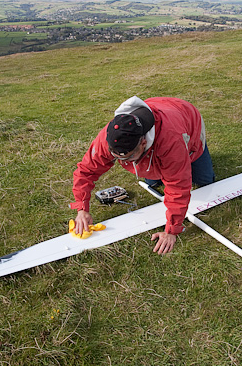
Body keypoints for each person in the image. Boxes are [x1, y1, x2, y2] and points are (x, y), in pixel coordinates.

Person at [71, 96, 215, 254]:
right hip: (161, 119)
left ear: (143, 143)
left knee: (204, 182)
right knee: (154, 183)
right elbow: (86, 170)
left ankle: (191, 158)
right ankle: (161, 165)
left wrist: (172, 230)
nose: (122, 162)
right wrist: (82, 208)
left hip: (188, 122)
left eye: (128, 158)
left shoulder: (171, 140)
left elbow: (178, 185)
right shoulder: (112, 135)